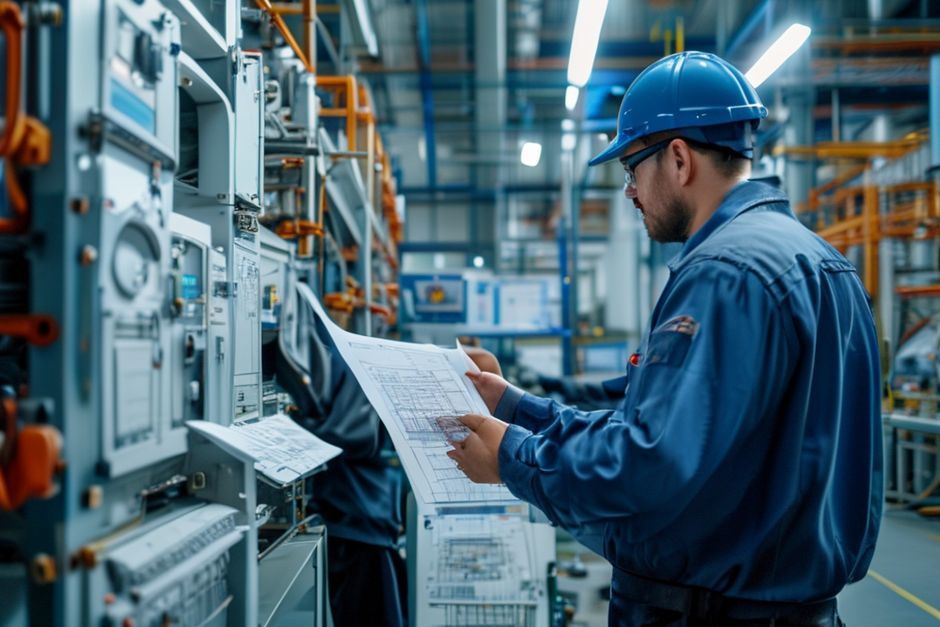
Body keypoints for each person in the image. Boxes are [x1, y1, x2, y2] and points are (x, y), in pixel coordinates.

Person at [445, 51, 882, 627]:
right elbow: (661, 431)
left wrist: (511, 458)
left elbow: (648, 467)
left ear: (677, 158)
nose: (628, 191)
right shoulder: (822, 262)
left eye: (632, 168)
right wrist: (514, 406)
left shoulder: (724, 273)